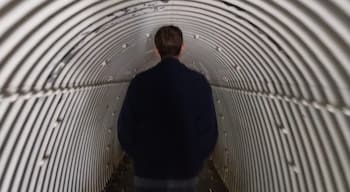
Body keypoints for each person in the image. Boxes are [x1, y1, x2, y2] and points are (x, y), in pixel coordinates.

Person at [118, 25, 218, 192]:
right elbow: (209, 130)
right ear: (182, 48)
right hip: (185, 172)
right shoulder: (199, 82)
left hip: (147, 172)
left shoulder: (140, 82)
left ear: (157, 50)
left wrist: (140, 156)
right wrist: (195, 159)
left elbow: (125, 128)